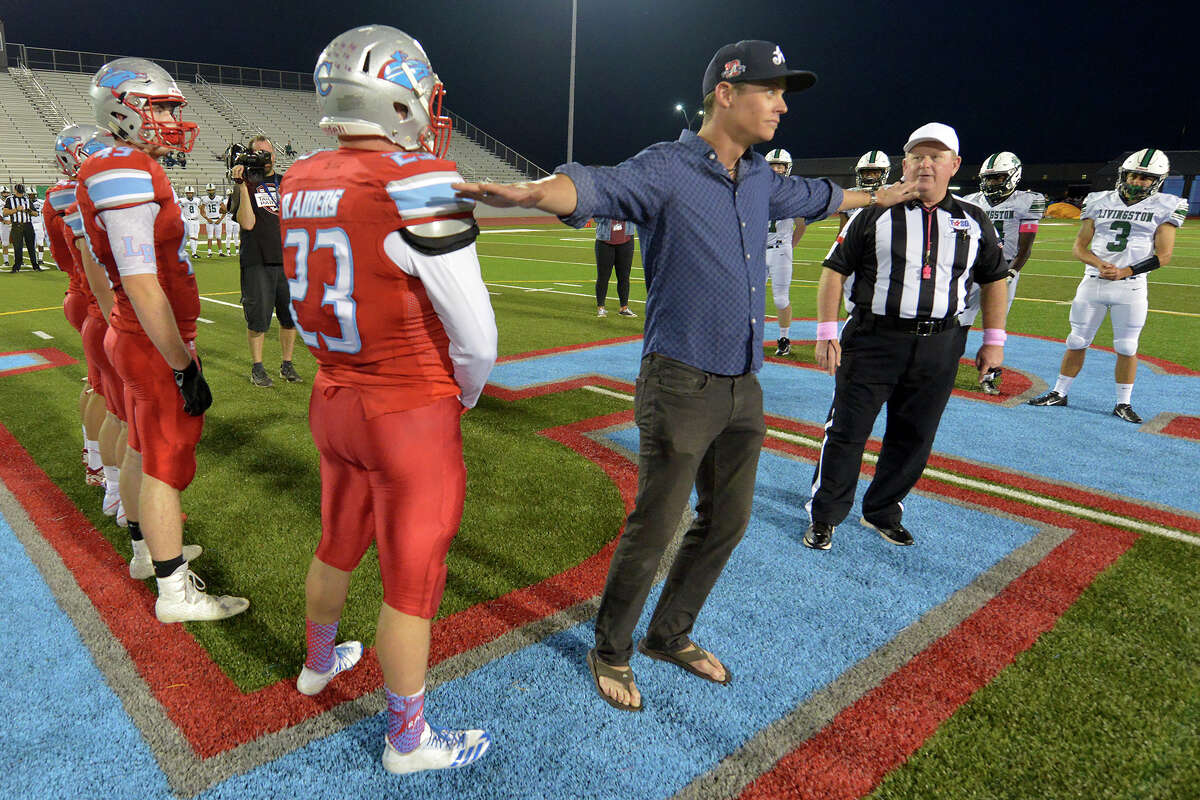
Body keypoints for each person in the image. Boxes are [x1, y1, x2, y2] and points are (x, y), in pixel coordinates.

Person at [456, 39, 918, 712]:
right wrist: (535, 191)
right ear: (726, 94)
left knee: (728, 521)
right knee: (657, 524)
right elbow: (594, 185)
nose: (783, 106)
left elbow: (820, 195)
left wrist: (882, 194)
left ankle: (669, 633)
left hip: (743, 382)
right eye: (771, 91)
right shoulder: (667, 168)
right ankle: (610, 646)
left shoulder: (761, 176)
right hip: (680, 382)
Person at [284, 25, 497, 775]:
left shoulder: (299, 175)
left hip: (332, 393)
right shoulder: (418, 182)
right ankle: (407, 740)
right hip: (406, 409)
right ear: (398, 93)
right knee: (412, 578)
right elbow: (475, 333)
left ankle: (317, 663)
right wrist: (463, 394)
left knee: (337, 538)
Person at [75, 57, 246, 621]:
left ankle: (148, 553)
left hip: (137, 335)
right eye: (162, 107)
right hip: (149, 339)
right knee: (161, 464)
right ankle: (175, 593)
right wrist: (182, 363)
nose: (173, 118)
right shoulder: (119, 166)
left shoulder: (123, 162)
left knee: (146, 450)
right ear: (122, 109)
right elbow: (142, 282)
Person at [804, 122, 1008, 551]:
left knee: (915, 434)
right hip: (873, 338)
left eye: (935, 157)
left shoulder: (974, 220)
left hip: (940, 342)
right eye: (917, 156)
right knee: (846, 430)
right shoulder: (873, 213)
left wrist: (995, 339)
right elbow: (833, 270)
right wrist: (825, 332)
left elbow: (993, 280)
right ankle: (826, 513)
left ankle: (882, 510)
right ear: (905, 162)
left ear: (954, 165)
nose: (925, 165)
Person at [1028, 149, 1185, 423]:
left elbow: (1164, 255)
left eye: (1145, 178)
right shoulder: (1098, 200)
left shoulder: (1167, 205)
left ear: (1158, 180)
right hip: (1093, 282)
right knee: (1076, 340)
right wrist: (1099, 264)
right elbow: (1079, 246)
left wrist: (1125, 271)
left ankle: (1123, 403)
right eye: (1134, 175)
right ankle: (1059, 392)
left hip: (1132, 286)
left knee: (1126, 346)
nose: (1137, 182)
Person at [962, 152, 1045, 394]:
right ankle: (944, 366)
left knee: (994, 327)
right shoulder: (971, 200)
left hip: (1003, 268)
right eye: (988, 178)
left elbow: (1025, 249)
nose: (991, 183)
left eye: (997, 178)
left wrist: (1010, 273)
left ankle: (989, 375)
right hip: (973, 267)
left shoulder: (1028, 201)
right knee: (960, 321)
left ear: (1013, 176)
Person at [229, 135, 301, 387]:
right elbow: (247, 222)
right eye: (259, 152)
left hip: (288, 261)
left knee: (290, 317)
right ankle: (257, 367)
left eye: (268, 152)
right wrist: (241, 185)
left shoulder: (286, 182)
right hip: (257, 260)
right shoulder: (244, 184)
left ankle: (287, 364)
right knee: (258, 320)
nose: (265, 157)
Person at [763, 148, 806, 355]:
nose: (777, 169)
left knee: (780, 298)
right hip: (758, 251)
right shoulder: (756, 190)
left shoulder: (793, 193)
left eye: (781, 165)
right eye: (773, 165)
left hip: (781, 249)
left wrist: (790, 246)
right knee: (748, 297)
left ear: (787, 168)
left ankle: (783, 338)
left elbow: (801, 225)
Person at [835, 150, 891, 237]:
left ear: (885, 173)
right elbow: (842, 233)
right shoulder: (850, 194)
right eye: (866, 172)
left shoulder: (892, 192)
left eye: (875, 173)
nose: (870, 176)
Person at [593, 218, 636, 317]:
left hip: (627, 240)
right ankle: (601, 308)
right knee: (603, 276)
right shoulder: (603, 202)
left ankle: (624, 308)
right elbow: (597, 218)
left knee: (624, 276)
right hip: (605, 241)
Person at [3, 183, 42, 272]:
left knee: (31, 246)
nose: (20, 194)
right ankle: (17, 267)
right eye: (19, 192)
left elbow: (36, 213)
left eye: (21, 192)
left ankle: (35, 266)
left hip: (28, 225)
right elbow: (5, 212)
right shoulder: (10, 199)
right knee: (17, 246)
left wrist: (27, 210)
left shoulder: (27, 199)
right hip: (16, 225)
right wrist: (16, 209)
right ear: (15, 191)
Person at [199, 183, 225, 257]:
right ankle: (209, 252)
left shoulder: (218, 198)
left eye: (212, 190)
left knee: (219, 237)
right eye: (209, 190)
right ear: (207, 191)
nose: (211, 192)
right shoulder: (205, 199)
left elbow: (225, 210)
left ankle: (220, 252)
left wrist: (220, 219)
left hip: (217, 220)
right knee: (210, 237)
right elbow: (202, 211)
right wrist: (207, 218)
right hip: (210, 220)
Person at [178, 185, 201, 258]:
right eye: (188, 193)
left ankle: (195, 252)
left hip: (196, 220)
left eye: (191, 193)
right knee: (192, 236)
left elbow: (201, 207)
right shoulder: (183, 200)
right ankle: (194, 253)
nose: (189, 194)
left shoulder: (197, 200)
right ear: (186, 193)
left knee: (196, 236)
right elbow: (176, 203)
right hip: (189, 220)